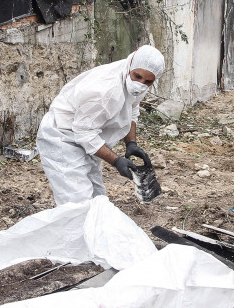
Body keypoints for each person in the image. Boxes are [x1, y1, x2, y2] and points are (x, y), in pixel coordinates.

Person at [36, 45, 165, 205]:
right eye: (137, 77)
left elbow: (132, 107)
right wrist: (116, 161)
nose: (140, 83)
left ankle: (92, 230)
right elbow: (83, 133)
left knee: (98, 199)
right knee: (76, 203)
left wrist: (131, 143)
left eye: (147, 81)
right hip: (62, 138)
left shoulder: (138, 79)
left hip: (88, 136)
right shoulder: (105, 92)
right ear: (131, 64)